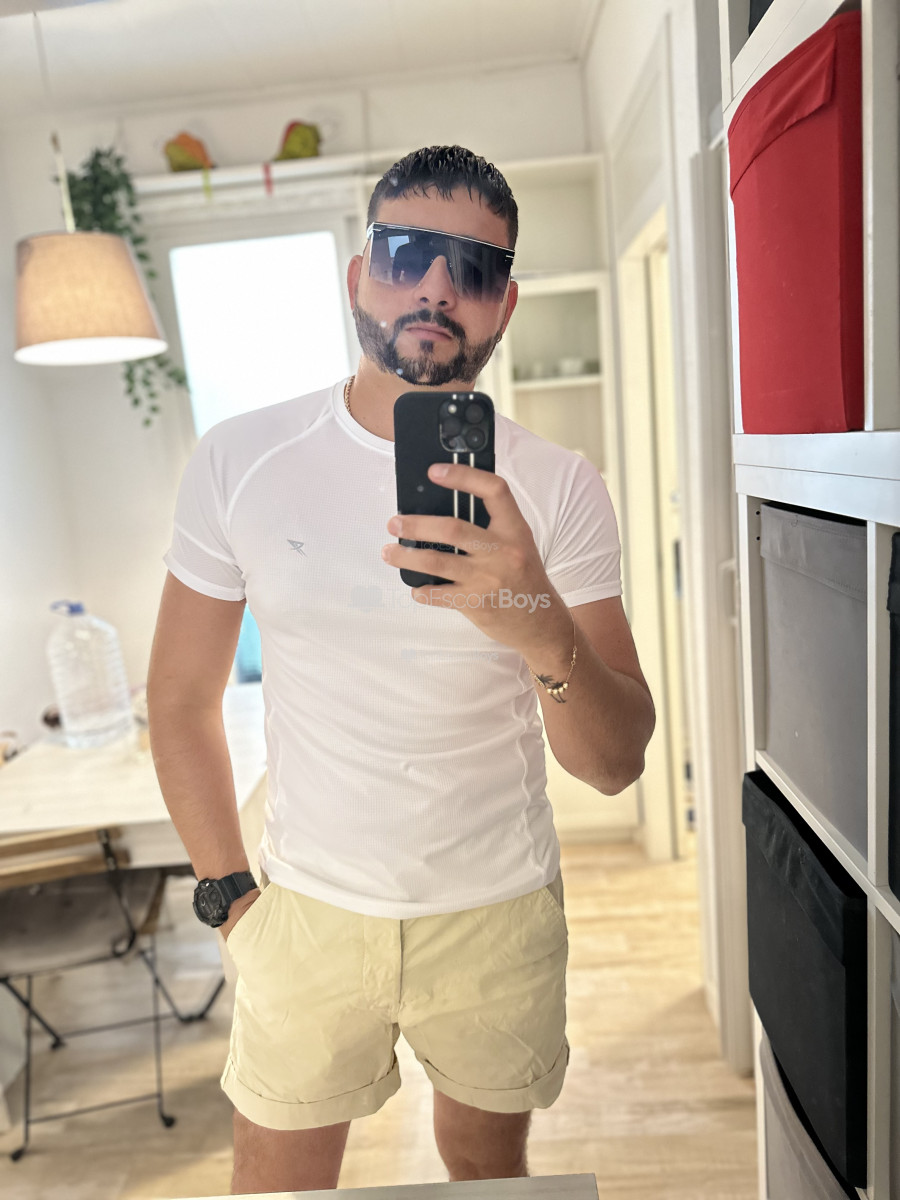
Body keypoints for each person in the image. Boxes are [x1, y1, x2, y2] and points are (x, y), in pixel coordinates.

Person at [147, 144, 655, 1195]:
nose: (434, 286)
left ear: (504, 303)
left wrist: (537, 620)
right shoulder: (241, 460)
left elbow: (614, 766)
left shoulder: (560, 488)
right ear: (358, 276)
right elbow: (181, 698)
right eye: (405, 253)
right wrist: (229, 896)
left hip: (498, 912)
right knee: (275, 1185)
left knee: (487, 1173)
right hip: (304, 911)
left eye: (472, 268)